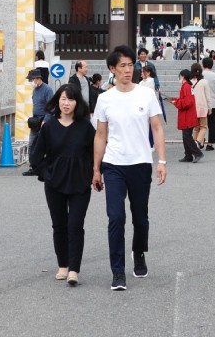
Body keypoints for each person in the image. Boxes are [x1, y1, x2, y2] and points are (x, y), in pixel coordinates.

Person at [92, 45, 167, 292]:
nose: (127, 70)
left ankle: (139, 252)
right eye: (122, 66)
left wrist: (162, 161)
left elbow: (157, 127)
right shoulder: (105, 98)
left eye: (130, 65)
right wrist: (96, 168)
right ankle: (117, 271)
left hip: (141, 163)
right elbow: (100, 134)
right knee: (116, 217)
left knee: (140, 217)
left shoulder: (145, 95)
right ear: (112, 69)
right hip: (113, 165)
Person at [31, 84, 95, 286]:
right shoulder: (49, 126)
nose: (67, 103)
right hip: (54, 184)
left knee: (75, 225)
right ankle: (63, 265)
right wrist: (46, 174)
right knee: (59, 225)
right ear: (57, 101)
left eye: (71, 99)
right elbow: (35, 156)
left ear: (78, 103)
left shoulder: (85, 127)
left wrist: (93, 173)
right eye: (63, 99)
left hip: (80, 183)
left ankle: (74, 269)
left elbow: (95, 153)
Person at [24, 68, 53, 177]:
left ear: (37, 78)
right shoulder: (35, 90)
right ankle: (33, 167)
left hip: (44, 122)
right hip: (35, 122)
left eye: (31, 80)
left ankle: (47, 166)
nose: (30, 82)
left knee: (45, 145)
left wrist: (45, 120)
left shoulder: (48, 90)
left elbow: (51, 107)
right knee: (32, 144)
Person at [172, 68, 203, 163]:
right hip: (188, 115)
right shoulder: (188, 86)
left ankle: (197, 153)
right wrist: (176, 101)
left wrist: (176, 102)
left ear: (183, 76)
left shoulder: (186, 86)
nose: (179, 77)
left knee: (187, 136)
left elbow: (187, 102)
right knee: (186, 136)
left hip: (187, 116)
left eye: (180, 76)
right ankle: (188, 155)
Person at [201, 56, 215, 150]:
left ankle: (200, 141)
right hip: (213, 103)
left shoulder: (199, 75)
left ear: (203, 65)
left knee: (201, 124)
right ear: (212, 65)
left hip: (201, 104)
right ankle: (210, 144)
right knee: (212, 124)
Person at [192, 63, 212, 148]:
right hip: (202, 106)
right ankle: (198, 142)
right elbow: (208, 96)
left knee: (196, 127)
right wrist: (210, 107)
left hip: (193, 107)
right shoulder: (204, 82)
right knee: (203, 127)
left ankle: (194, 144)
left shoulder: (190, 81)